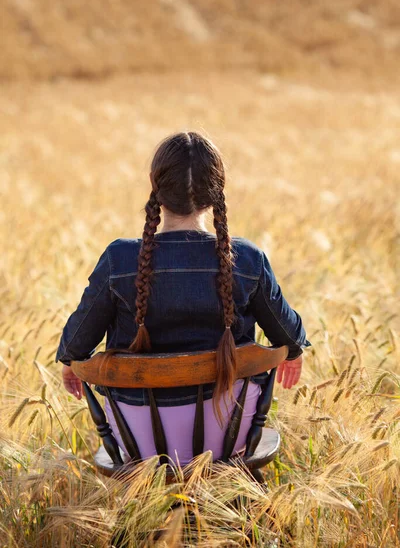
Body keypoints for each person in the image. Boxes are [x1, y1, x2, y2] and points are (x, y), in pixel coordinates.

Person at [56, 131, 310, 466]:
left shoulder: (119, 261)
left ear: (154, 185)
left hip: (140, 441)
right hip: (228, 433)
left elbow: (76, 345)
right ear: (218, 189)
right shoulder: (246, 259)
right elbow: (288, 336)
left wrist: (72, 364)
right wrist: (292, 354)